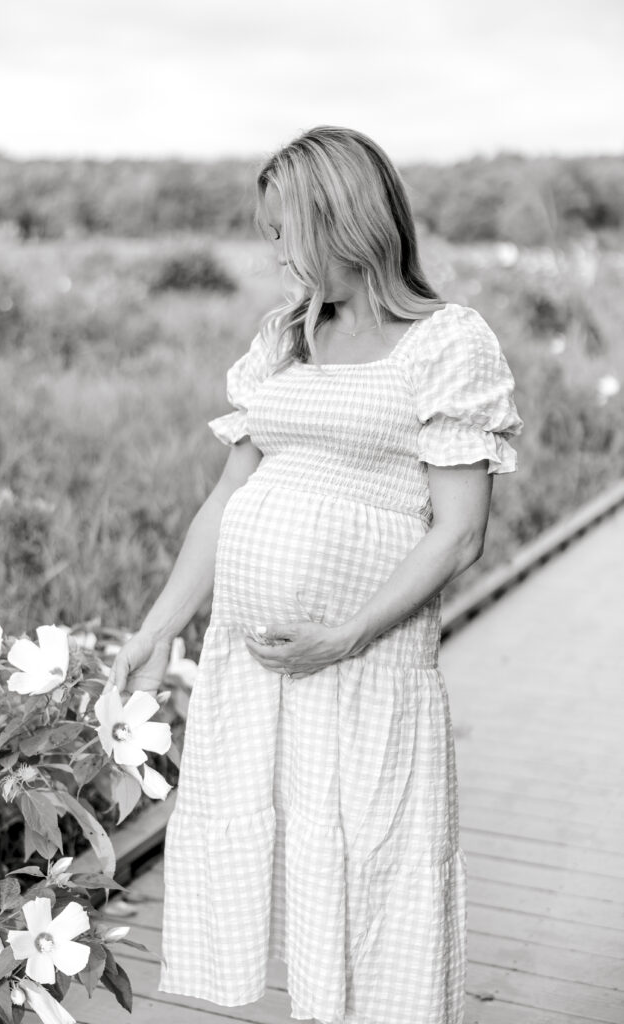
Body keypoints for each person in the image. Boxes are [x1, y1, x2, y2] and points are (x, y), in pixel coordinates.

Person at [104, 126, 524, 1024]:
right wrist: (157, 627)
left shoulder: (447, 343)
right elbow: (226, 499)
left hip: (365, 666)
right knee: (273, 861)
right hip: (254, 670)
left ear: (345, 223)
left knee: (373, 872)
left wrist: (347, 632)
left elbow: (458, 535)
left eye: (285, 229)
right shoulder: (284, 337)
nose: (275, 251)